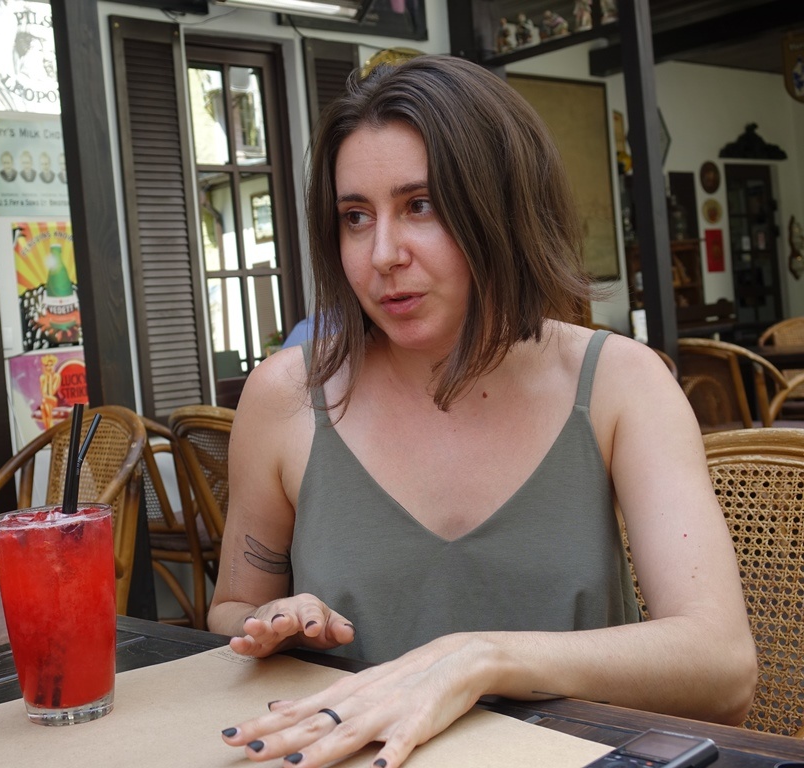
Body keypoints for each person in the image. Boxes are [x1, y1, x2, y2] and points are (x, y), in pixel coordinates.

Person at [210, 55, 755, 768]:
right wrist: (272, 625)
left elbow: (722, 668)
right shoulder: (286, 396)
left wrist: (479, 659)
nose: (382, 254)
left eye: (421, 205)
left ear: (504, 209)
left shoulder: (621, 384)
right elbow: (229, 611)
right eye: (355, 217)